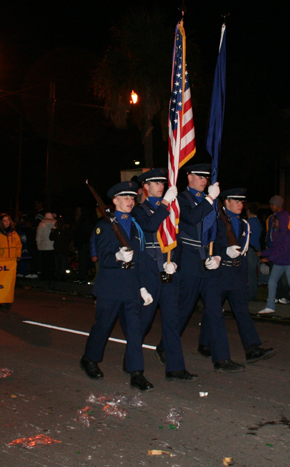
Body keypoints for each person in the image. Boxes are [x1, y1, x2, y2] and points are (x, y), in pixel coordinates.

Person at [156, 163, 245, 373]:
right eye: (199, 176)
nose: (204, 181)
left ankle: (221, 358)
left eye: (206, 177)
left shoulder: (211, 202)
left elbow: (218, 230)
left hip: (209, 261)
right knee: (184, 309)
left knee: (215, 310)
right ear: (189, 177)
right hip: (188, 259)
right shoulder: (180, 199)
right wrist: (210, 199)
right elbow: (191, 217)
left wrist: (219, 255)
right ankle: (165, 345)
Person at [81, 180, 155, 390]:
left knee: (134, 330)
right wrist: (116, 257)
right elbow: (102, 259)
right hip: (111, 286)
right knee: (103, 326)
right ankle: (89, 359)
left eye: (132, 197)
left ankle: (136, 373)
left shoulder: (136, 227)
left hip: (131, 286)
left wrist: (142, 287)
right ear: (114, 201)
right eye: (125, 197)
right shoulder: (104, 226)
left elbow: (139, 258)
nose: (130, 201)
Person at [129, 168, 196, 381]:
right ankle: (131, 362)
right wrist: (165, 204)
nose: (160, 186)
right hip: (149, 273)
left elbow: (178, 239)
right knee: (144, 321)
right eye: (155, 183)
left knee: (172, 321)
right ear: (145, 187)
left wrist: (174, 263)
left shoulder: (171, 210)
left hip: (167, 273)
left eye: (162, 182)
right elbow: (149, 226)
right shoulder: (140, 211)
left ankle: (175, 368)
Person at [198, 189, 275, 364]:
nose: (241, 205)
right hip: (220, 273)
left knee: (242, 312)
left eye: (242, 202)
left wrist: (244, 277)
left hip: (236, 274)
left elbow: (243, 252)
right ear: (226, 202)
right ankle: (204, 343)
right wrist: (221, 253)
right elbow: (209, 243)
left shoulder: (244, 225)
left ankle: (252, 348)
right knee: (213, 310)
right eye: (236, 201)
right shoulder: (216, 222)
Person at [258, 209, 290, 314]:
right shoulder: (276, 233)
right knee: (271, 282)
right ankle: (270, 306)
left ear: (282, 221)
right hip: (279, 261)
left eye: (275, 221)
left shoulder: (288, 235)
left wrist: (268, 258)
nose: (273, 223)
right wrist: (263, 253)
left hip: (289, 262)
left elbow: (283, 250)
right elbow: (274, 248)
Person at [245, 203, 262, 301]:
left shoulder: (249, 222)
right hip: (256, 248)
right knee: (253, 273)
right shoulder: (257, 221)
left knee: (250, 273)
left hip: (251, 249)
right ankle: (252, 292)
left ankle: (251, 294)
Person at [36, 212, 56, 280]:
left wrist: (38, 245)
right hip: (53, 246)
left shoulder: (41, 224)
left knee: (44, 262)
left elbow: (38, 235)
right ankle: (51, 276)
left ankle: (44, 276)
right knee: (51, 262)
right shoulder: (55, 223)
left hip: (43, 246)